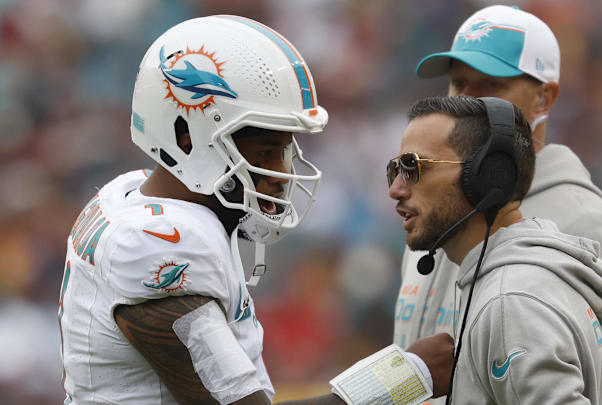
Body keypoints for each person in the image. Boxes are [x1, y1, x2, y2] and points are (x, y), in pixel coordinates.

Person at [59, 15, 454, 405]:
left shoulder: (130, 195)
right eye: (266, 153)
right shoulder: (155, 247)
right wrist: (407, 376)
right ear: (186, 140)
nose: (281, 174)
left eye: (284, 152)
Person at [394, 5, 602, 405]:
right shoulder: (437, 214)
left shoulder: (588, 226)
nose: (467, 104)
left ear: (544, 98)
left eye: (489, 86)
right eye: (458, 84)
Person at [387, 94, 602, 403]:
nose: (396, 189)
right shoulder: (529, 278)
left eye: (412, 167)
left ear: (487, 177)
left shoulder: (511, 301)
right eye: (395, 169)